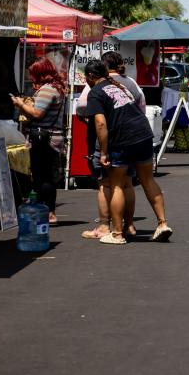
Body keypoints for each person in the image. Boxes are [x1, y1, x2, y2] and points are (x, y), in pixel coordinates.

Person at [84, 59, 172, 245]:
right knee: (147, 180)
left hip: (123, 139)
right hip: (143, 133)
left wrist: (104, 152)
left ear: (91, 76)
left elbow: (100, 124)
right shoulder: (119, 86)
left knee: (116, 184)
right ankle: (162, 224)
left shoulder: (96, 93)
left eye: (86, 77)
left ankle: (116, 234)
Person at [77, 51, 146, 240]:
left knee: (106, 184)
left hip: (107, 139)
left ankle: (105, 227)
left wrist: (103, 150)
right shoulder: (130, 83)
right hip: (133, 137)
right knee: (128, 183)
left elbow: (83, 107)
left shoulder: (96, 89)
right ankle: (129, 225)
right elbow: (140, 106)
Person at [12, 58, 67, 224]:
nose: (31, 77)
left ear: (40, 73)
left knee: (42, 176)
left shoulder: (47, 90)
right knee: (46, 176)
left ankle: (48, 212)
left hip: (44, 138)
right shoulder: (57, 88)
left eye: (33, 74)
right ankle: (48, 211)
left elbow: (37, 114)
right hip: (51, 136)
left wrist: (20, 104)